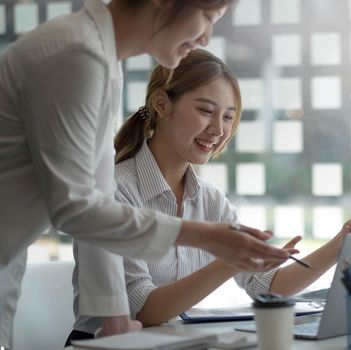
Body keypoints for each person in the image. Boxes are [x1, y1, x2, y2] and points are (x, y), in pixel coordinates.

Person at [0, 1, 291, 348]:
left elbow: (96, 203)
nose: (206, 36)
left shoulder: (102, 61)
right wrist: (205, 237)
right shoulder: (76, 54)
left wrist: (115, 318)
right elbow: (75, 207)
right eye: (207, 17)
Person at [67, 49, 351, 340]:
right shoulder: (116, 189)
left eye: (229, 117)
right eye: (207, 111)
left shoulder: (210, 200)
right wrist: (229, 260)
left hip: (164, 343)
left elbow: (268, 287)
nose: (219, 130)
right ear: (162, 104)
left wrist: (341, 243)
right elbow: (145, 310)